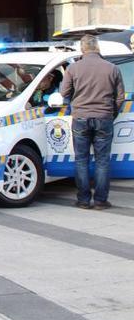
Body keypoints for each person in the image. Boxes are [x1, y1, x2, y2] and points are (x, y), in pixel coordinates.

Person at [60, 35, 124, 210]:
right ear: (98, 47)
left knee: (81, 159)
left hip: (80, 117)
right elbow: (120, 97)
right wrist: (112, 114)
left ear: (82, 49)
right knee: (102, 160)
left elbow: (63, 92)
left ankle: (83, 200)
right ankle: (101, 201)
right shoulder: (112, 68)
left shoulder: (73, 68)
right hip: (104, 117)